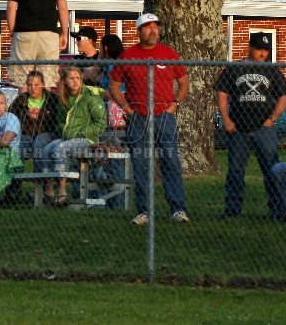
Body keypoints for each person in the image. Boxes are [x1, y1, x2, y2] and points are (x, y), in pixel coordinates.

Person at [109, 13, 190, 225]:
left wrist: (175, 104)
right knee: (141, 164)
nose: (153, 30)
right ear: (139, 31)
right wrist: (127, 109)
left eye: (155, 27)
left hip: (164, 116)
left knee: (170, 162)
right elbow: (114, 86)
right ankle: (144, 211)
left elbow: (184, 82)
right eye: (147, 27)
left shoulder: (168, 53)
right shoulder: (128, 56)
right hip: (138, 119)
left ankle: (178, 209)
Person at [214, 31, 286, 220]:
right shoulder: (234, 69)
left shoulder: (272, 70)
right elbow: (222, 93)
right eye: (258, 49)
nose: (262, 53)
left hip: (265, 129)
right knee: (235, 170)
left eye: (266, 50)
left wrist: (272, 119)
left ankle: (277, 208)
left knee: (271, 169)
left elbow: (283, 97)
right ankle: (232, 209)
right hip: (238, 128)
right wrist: (226, 119)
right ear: (249, 47)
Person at [5, 0, 69, 92]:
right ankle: (46, 107)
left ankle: (23, 107)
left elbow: (11, 6)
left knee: (22, 79)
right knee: (47, 79)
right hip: (49, 34)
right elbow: (63, 8)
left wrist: (12, 29)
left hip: (24, 33)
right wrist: (64, 33)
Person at [42, 66, 107, 206]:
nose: (75, 81)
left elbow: (101, 124)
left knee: (60, 148)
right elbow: (59, 123)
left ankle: (62, 191)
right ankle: (49, 188)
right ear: (64, 81)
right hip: (68, 138)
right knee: (46, 149)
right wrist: (65, 131)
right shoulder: (64, 99)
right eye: (71, 78)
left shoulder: (90, 97)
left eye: (78, 78)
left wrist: (79, 132)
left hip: (87, 139)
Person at [5, 70, 59, 204]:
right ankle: (13, 190)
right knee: (16, 149)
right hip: (25, 135)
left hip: (47, 134)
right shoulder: (20, 100)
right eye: (29, 85)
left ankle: (41, 188)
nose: (32, 88)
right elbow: (10, 119)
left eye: (36, 85)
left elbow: (58, 121)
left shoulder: (53, 100)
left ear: (43, 85)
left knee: (39, 144)